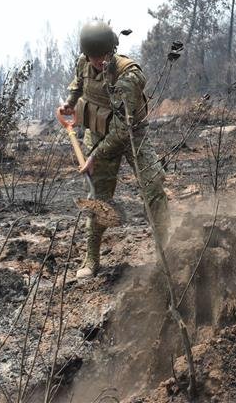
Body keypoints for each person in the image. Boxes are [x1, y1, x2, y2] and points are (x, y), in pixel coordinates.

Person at [58, 19, 170, 279]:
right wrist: (70, 103)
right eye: (93, 57)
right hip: (98, 132)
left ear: (112, 50)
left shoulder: (129, 75)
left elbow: (122, 130)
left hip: (132, 135)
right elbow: (78, 82)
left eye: (102, 56)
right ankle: (92, 257)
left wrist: (94, 156)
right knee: (98, 198)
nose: (98, 62)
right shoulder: (83, 62)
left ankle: (166, 253)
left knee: (153, 188)